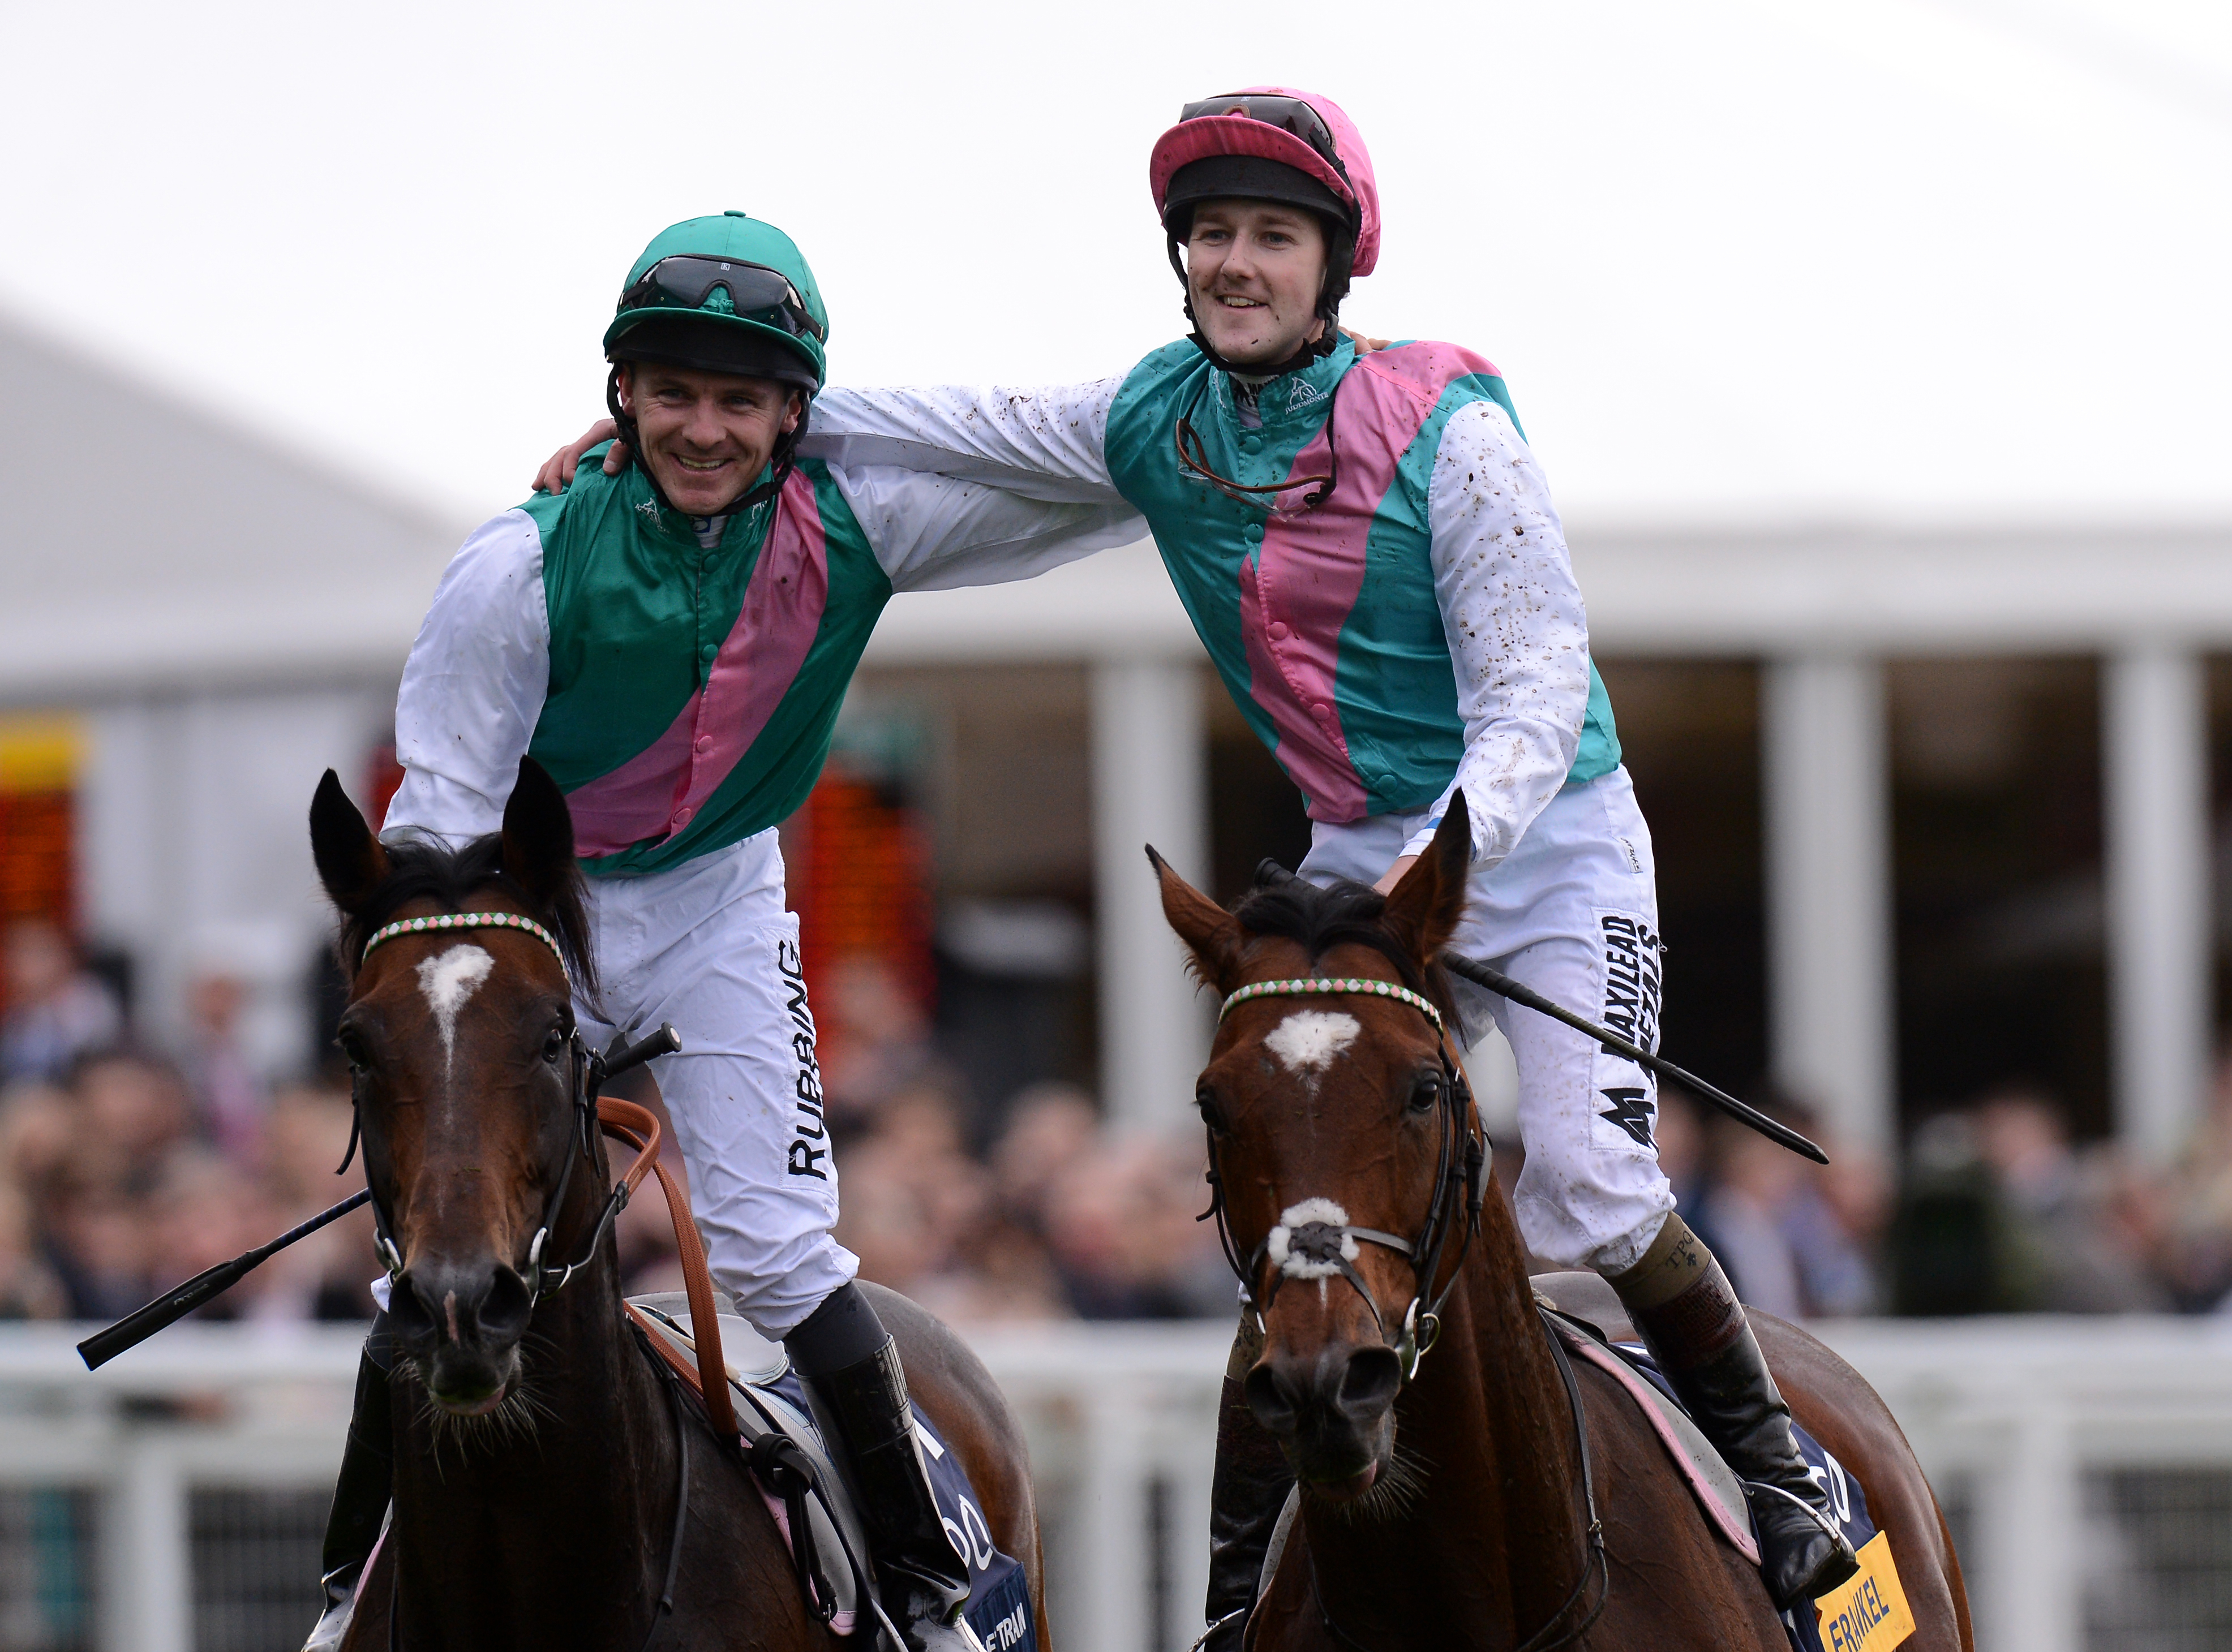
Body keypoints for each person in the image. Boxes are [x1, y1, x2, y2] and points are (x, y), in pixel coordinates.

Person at [546, 88, 1858, 1625]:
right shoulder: (1160, 416)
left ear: (1334, 264)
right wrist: (723, 413)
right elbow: (967, 424)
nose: (1238, 261)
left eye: (1273, 237)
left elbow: (1532, 696)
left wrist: (1428, 875)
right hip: (1364, 857)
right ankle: (1239, 1597)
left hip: (1542, 846)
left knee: (1586, 1191)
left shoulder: (1456, 428)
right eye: (1214, 234)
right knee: (1301, 1215)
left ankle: (1781, 1466)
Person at [303, 212, 1136, 1652]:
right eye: (672, 393)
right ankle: (344, 1594)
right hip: (526, 915)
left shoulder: (857, 519)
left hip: (717, 903)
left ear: (792, 415)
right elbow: (440, 843)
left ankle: (934, 1593)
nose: (702, 429)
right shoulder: (514, 562)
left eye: (739, 401)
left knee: (780, 1252)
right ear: (620, 394)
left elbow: (1092, 489)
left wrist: (1229, 430)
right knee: (424, 1262)